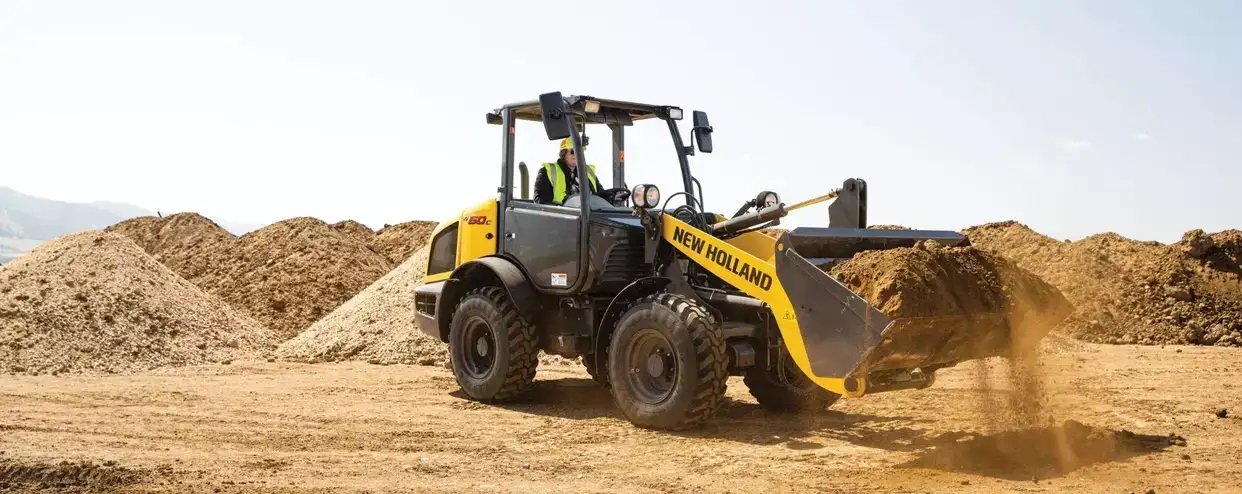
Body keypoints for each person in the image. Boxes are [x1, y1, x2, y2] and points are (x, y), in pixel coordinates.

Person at [533, 137, 605, 205]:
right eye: (573, 151)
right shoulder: (549, 171)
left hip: (589, 216)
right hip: (562, 216)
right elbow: (542, 202)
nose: (577, 155)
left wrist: (612, 195)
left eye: (580, 151)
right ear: (563, 154)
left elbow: (601, 196)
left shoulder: (588, 172)